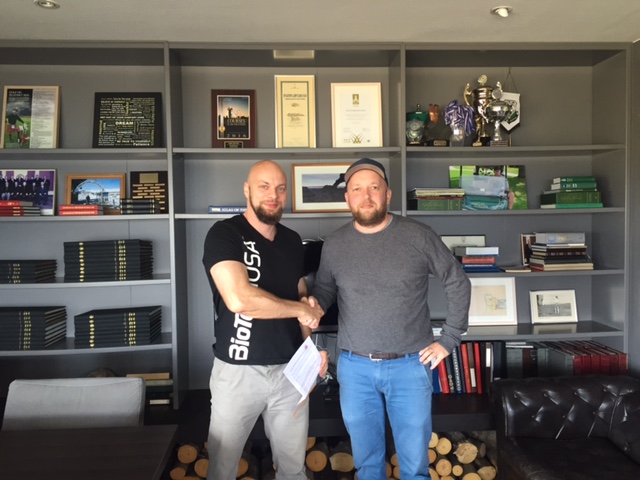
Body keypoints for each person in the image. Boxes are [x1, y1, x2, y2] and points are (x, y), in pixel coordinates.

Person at [309, 158, 471, 480]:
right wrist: (314, 304)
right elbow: (326, 290)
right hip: (354, 368)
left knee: (414, 469)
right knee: (367, 468)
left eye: (374, 187)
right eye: (357, 189)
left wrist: (449, 338)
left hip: (410, 366)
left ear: (387, 194)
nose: (366, 195)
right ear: (348, 198)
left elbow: (457, 281)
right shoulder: (335, 244)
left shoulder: (418, 236)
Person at [202, 160, 328, 480]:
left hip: (290, 373)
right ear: (247, 190)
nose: (273, 195)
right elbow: (239, 299)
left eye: (281, 189)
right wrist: (301, 310)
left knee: (293, 469)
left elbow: (301, 294)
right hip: (238, 372)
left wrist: (309, 350)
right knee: (222, 470)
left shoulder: (291, 240)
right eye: (264, 186)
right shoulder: (224, 233)